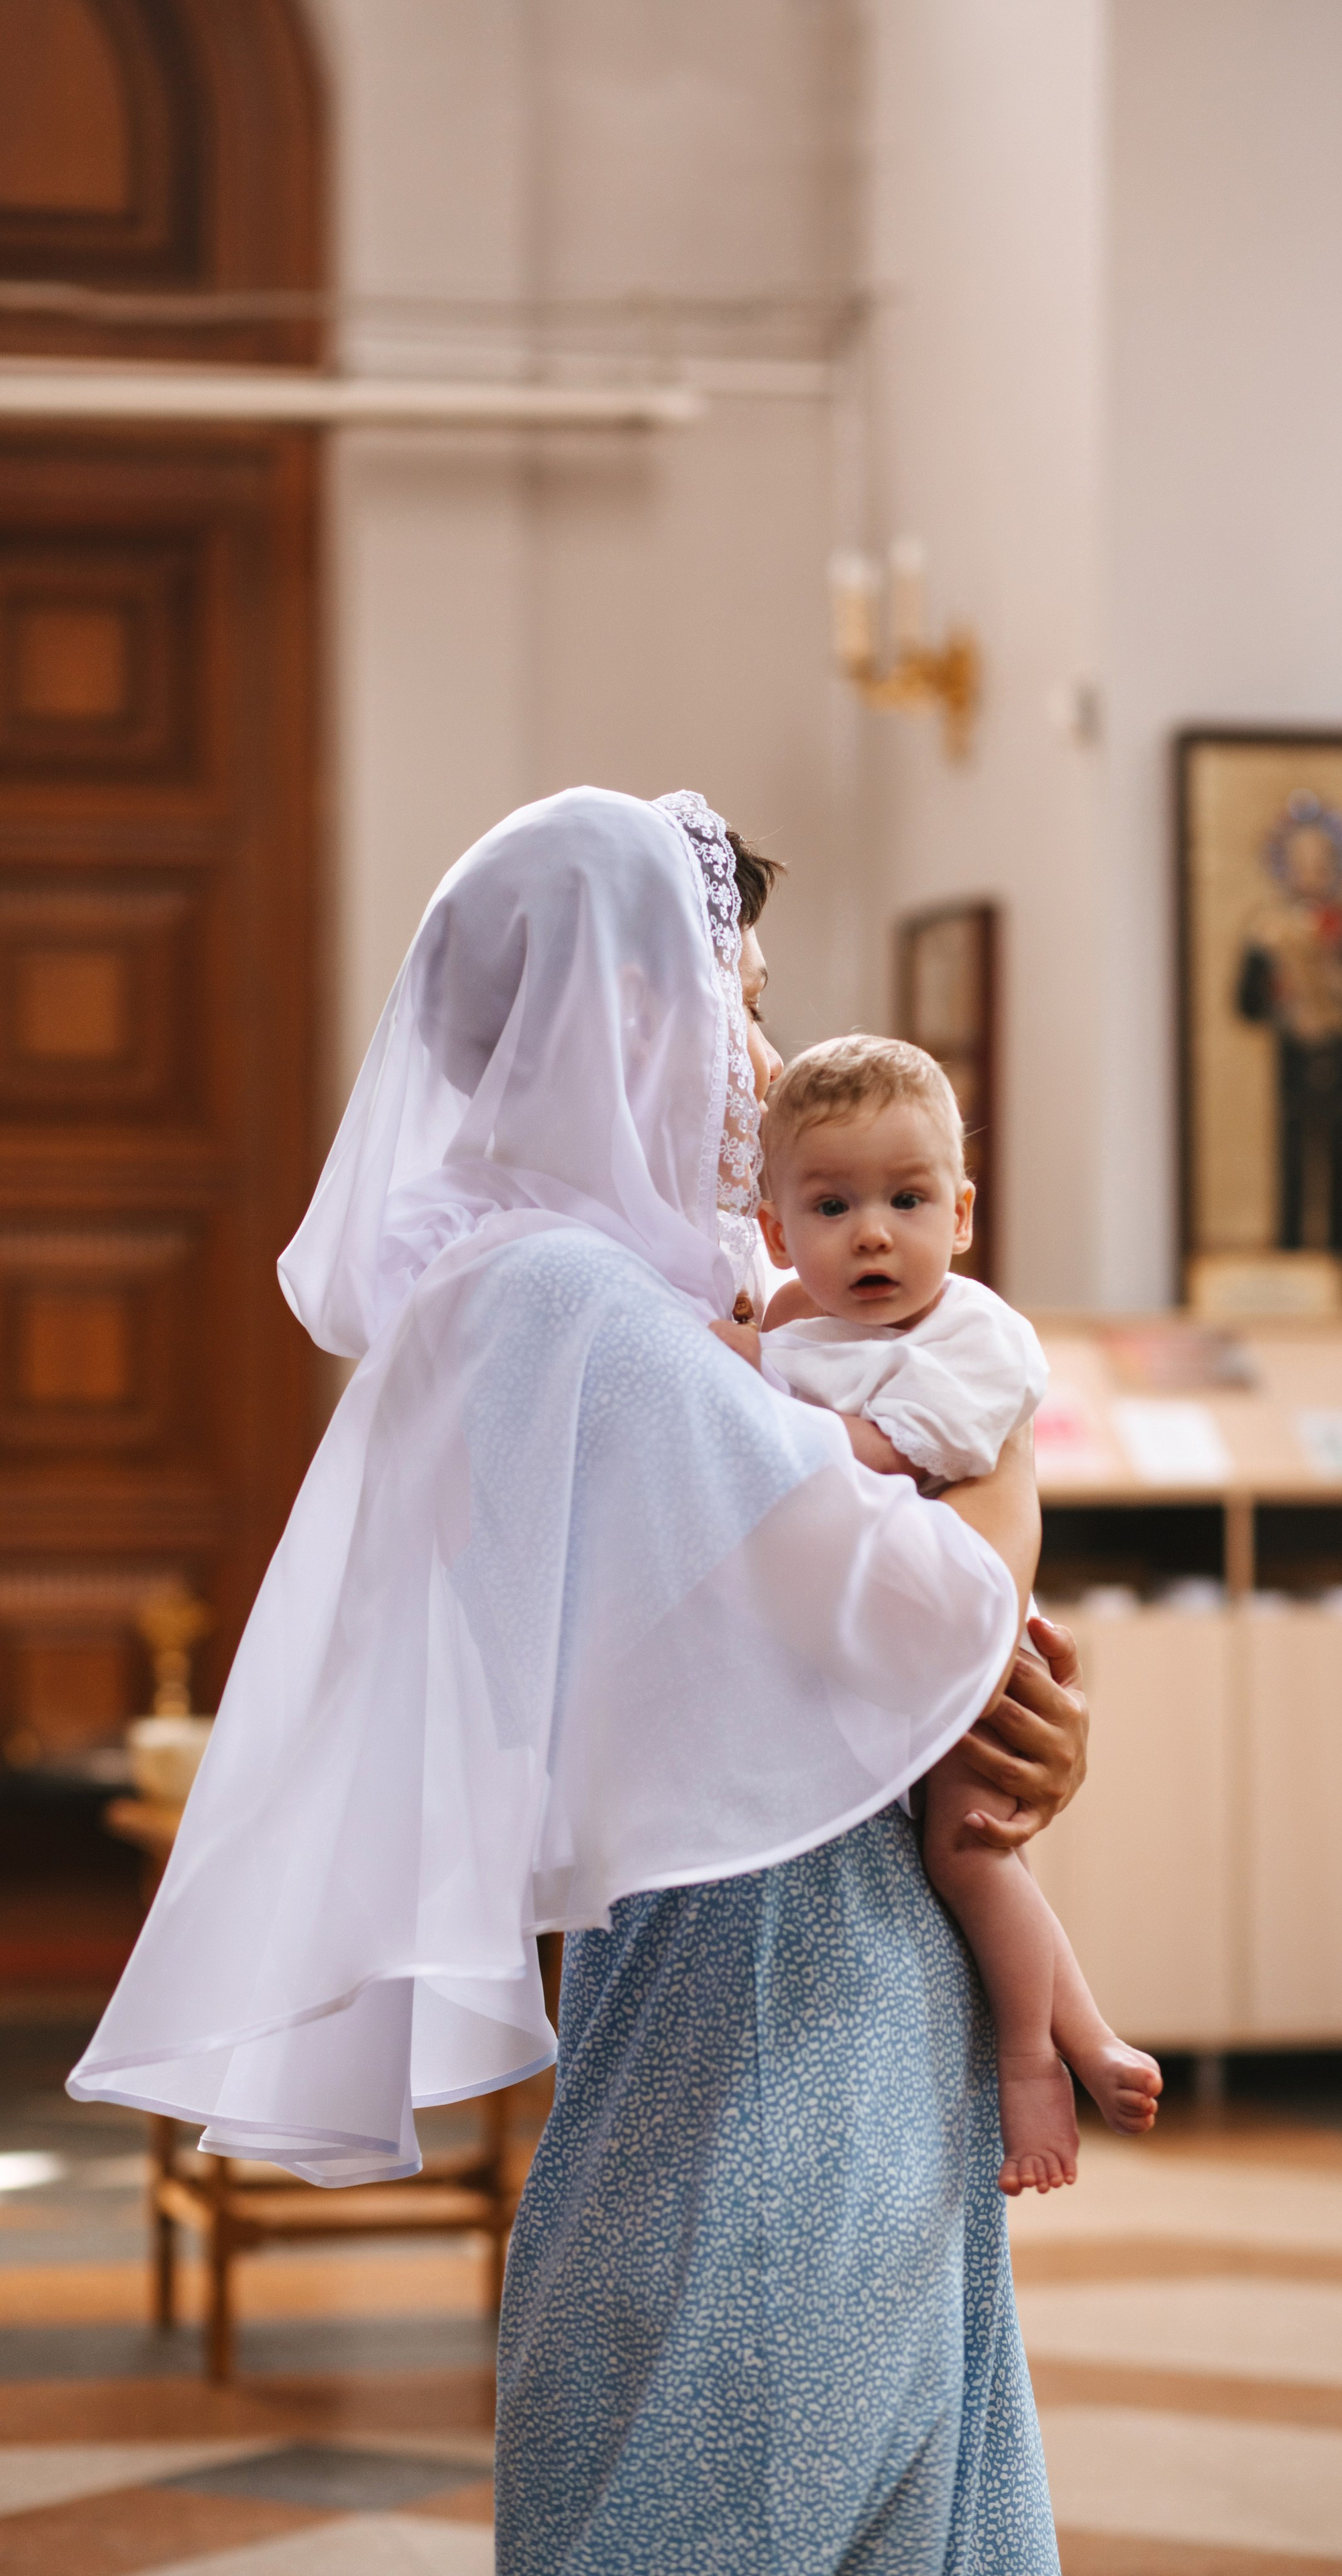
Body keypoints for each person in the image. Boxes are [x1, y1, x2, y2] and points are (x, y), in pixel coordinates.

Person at [67, 787, 1086, 2573]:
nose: (761, 1058)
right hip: (774, 2023)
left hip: (807, 1995)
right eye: (740, 1000)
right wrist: (1009, 1507)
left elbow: (862, 1637)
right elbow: (939, 1599)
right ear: (625, 1008)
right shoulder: (568, 1303)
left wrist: (1011, 1718)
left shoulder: (599, 1292)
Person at [714, 1032, 1162, 2196]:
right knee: (962, 1853)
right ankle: (1086, 2036)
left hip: (963, 1657)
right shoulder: (795, 1332)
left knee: (969, 1851)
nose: (873, 1232)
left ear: (961, 1215)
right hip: (831, 1685)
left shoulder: (970, 1334)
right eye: (834, 1205)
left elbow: (906, 1450)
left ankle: (1043, 2056)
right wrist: (747, 1360)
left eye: (908, 1200)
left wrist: (739, 1386)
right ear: (776, 1233)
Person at [1234, 790, 1342, 1258]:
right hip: (1293, 1066)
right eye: (1300, 861)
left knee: (1341, 1166)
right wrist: (1278, 998)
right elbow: (1244, 1003)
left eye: (1321, 860)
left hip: (1341, 1065)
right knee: (1292, 1166)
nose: (1311, 871)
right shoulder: (1268, 930)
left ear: (1338, 864)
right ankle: (1290, 1262)